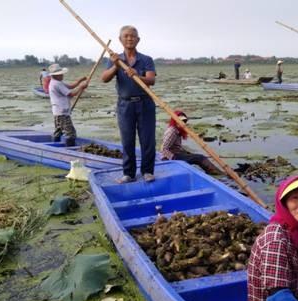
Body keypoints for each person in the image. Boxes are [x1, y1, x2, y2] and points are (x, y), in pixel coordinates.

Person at [101, 25, 157, 183]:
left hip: (145, 103)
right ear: (120, 39)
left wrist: (138, 75)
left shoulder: (146, 59)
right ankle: (129, 173)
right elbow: (104, 78)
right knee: (127, 140)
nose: (129, 38)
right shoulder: (114, 59)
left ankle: (147, 171)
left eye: (133, 36)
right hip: (125, 105)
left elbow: (151, 80)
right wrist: (116, 66)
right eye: (126, 36)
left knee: (147, 139)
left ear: (138, 39)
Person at [161, 110, 222, 175]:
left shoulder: (177, 130)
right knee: (200, 158)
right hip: (173, 157)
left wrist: (185, 152)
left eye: (184, 121)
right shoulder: (172, 131)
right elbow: (164, 149)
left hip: (178, 153)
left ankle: (216, 173)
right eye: (181, 121)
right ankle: (218, 174)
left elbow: (176, 146)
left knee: (194, 155)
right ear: (175, 121)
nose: (183, 123)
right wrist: (174, 159)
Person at [47, 63, 88, 147]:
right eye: (60, 74)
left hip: (58, 112)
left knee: (58, 131)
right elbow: (71, 94)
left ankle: (55, 146)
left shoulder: (56, 82)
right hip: (62, 113)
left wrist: (80, 80)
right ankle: (70, 151)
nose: (62, 75)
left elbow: (70, 86)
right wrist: (81, 87)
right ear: (55, 76)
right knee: (71, 133)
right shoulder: (56, 84)